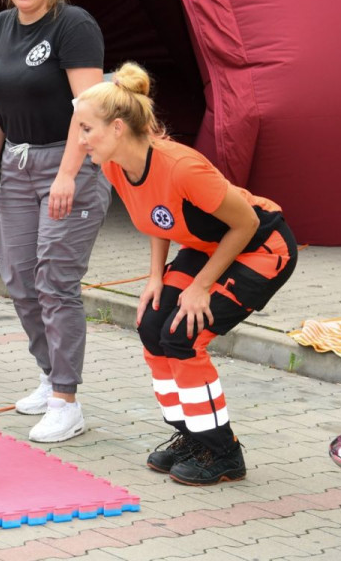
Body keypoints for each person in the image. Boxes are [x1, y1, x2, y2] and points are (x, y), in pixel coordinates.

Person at [74, 62, 297, 485]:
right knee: (151, 324)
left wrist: (201, 286)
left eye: (87, 129)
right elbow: (159, 218)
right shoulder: (115, 165)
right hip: (211, 246)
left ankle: (223, 452)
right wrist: (156, 277)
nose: (80, 140)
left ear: (118, 127)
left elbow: (246, 223)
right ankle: (192, 437)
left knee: (183, 336)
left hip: (261, 245)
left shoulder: (181, 166)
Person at [0, 0, 110, 443]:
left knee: (55, 281)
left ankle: (67, 401)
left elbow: (90, 109)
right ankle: (50, 376)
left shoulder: (74, 26)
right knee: (19, 279)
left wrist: (70, 173)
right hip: (17, 164)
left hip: (66, 164)